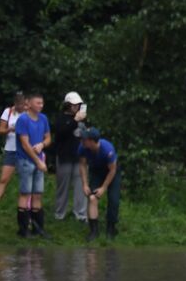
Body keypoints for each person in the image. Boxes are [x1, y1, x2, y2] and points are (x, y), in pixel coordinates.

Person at [14, 92, 52, 238]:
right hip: (26, 160)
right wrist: (38, 161)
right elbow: (24, 144)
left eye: (42, 103)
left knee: (38, 193)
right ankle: (23, 229)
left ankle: (38, 228)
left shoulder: (44, 118)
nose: (40, 106)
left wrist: (42, 144)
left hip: (39, 160)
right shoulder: (23, 120)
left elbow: (49, 138)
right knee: (25, 193)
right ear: (29, 103)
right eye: (37, 103)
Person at [77, 127, 120, 241]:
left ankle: (111, 228)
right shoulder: (83, 147)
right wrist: (85, 184)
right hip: (96, 171)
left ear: (92, 141)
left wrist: (104, 187)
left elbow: (112, 170)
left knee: (113, 199)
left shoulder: (107, 149)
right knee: (92, 198)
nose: (82, 140)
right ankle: (94, 231)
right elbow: (82, 165)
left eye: (84, 139)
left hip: (111, 172)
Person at [53, 92, 88, 223]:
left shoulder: (81, 118)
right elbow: (61, 133)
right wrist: (75, 121)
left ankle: (80, 214)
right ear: (68, 105)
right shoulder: (61, 119)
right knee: (63, 187)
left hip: (79, 158)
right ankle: (59, 213)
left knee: (81, 186)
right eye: (74, 105)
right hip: (65, 157)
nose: (77, 107)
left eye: (78, 104)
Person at [0, 92, 27, 209]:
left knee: (25, 179)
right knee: (4, 178)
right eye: (19, 104)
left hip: (25, 149)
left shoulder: (29, 113)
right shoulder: (8, 112)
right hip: (11, 148)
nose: (21, 107)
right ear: (15, 103)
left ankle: (24, 206)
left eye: (23, 104)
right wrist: (10, 129)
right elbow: (1, 130)